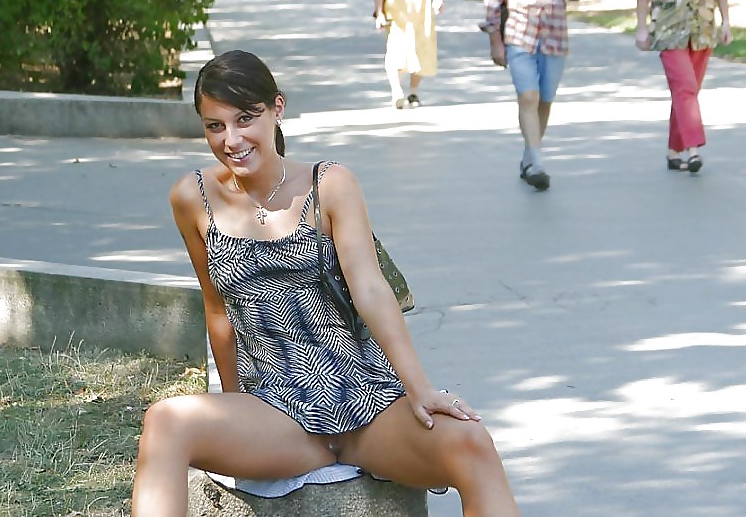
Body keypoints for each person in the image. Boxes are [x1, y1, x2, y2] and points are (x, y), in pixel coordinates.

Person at [131, 50, 520, 517]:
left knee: (473, 443)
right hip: (276, 411)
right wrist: (236, 410)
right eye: (215, 126)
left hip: (368, 402)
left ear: (277, 108)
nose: (231, 139)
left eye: (245, 119)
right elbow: (218, 312)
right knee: (165, 422)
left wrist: (420, 389)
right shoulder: (193, 198)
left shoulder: (329, 184)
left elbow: (371, 291)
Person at [480, 0, 586, 191]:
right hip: (519, 35)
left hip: (554, 36)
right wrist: (495, 40)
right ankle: (537, 162)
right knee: (528, 96)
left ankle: (529, 156)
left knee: (545, 100)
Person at [634, 0, 733, 174]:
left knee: (687, 91)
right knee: (685, 87)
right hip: (668, 29)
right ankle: (693, 150)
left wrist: (726, 21)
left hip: (702, 28)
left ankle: (673, 150)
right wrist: (641, 28)